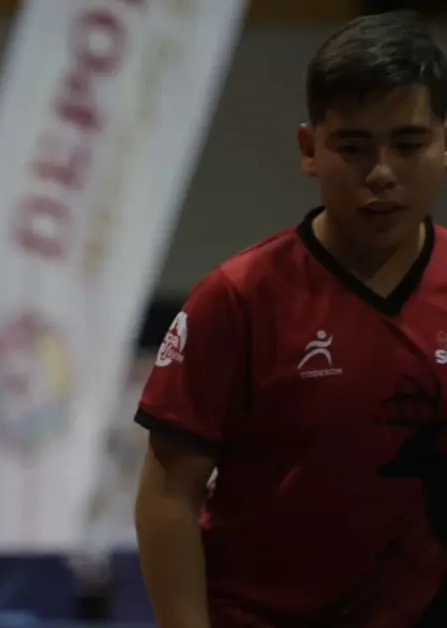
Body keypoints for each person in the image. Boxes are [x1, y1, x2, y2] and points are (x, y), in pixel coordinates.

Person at [133, 12, 447, 627]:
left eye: (408, 145)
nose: (381, 172)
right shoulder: (237, 297)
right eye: (353, 147)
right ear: (310, 149)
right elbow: (169, 496)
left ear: (445, 143)